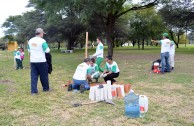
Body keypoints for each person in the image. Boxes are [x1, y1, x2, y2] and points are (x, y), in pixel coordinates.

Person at [28, 28, 50, 95]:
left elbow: (29, 50)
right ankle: (45, 88)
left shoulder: (30, 41)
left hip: (33, 61)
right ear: (40, 33)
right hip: (41, 61)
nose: (43, 35)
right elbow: (47, 50)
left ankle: (33, 91)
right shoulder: (42, 41)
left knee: (33, 76)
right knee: (44, 75)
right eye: (43, 33)